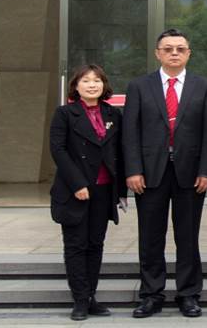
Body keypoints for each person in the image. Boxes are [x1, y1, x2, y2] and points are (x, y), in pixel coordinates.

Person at [122, 28, 207, 318]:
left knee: (187, 236)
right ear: (158, 53)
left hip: (191, 174)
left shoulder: (205, 87)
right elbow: (130, 132)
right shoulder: (139, 86)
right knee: (150, 236)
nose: (174, 53)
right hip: (149, 174)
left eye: (180, 49)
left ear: (188, 53)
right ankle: (151, 295)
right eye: (168, 49)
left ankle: (188, 294)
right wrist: (133, 170)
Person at [49, 64, 126, 321]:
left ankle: (91, 296)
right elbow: (58, 150)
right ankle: (80, 300)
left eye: (97, 80)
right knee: (76, 245)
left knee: (95, 244)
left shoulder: (113, 113)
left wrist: (121, 191)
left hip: (104, 190)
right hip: (75, 191)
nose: (92, 85)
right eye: (86, 80)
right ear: (76, 86)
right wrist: (77, 184)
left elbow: (118, 153)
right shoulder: (65, 114)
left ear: (104, 85)